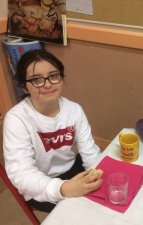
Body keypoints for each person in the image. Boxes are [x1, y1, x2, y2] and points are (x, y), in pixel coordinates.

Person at [3, 49, 103, 213]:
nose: (48, 84)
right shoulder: (16, 119)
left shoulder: (74, 110)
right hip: (39, 183)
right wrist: (63, 188)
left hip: (72, 169)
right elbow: (22, 173)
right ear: (24, 87)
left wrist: (98, 173)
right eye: (36, 79)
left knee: (101, 199)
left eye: (53, 76)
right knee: (80, 211)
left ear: (61, 78)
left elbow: (89, 152)